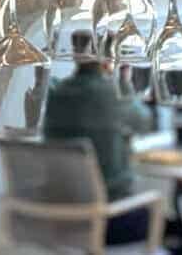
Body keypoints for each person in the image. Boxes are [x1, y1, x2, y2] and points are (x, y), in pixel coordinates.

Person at [43, 30, 155, 245]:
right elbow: (146, 123)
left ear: (76, 55)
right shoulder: (112, 93)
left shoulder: (56, 93)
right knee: (175, 226)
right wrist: (124, 82)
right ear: (109, 58)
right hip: (107, 220)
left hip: (59, 216)